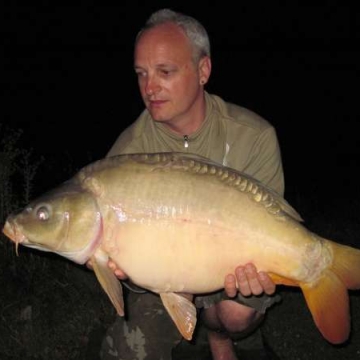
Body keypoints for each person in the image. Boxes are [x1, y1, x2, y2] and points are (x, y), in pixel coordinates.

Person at [97, 8, 284, 360]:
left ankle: (218, 333)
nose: (149, 88)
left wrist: (263, 270)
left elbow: (270, 230)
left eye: (164, 72)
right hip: (162, 277)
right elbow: (128, 270)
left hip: (231, 266)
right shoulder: (128, 154)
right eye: (141, 74)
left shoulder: (254, 137)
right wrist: (128, 274)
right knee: (129, 351)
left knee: (236, 313)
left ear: (203, 71)